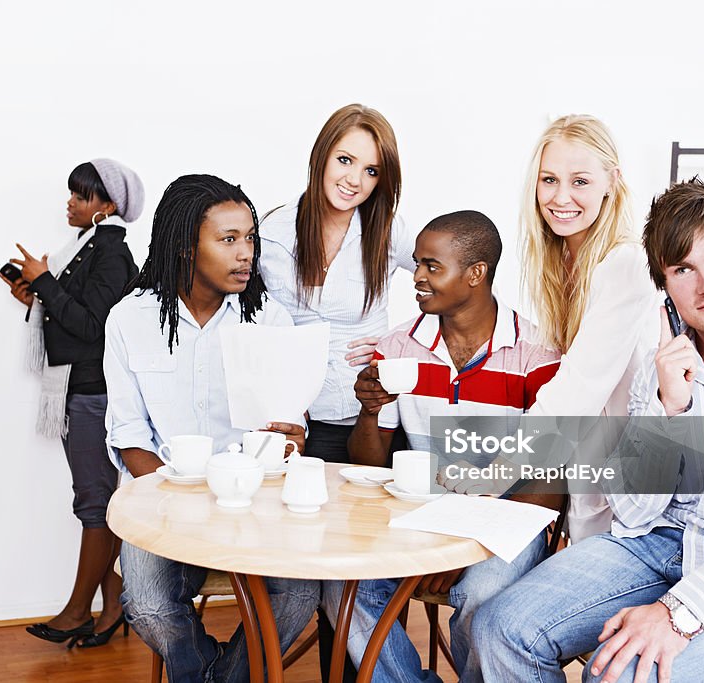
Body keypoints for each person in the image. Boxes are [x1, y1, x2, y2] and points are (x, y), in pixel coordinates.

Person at [471, 178, 704, 682]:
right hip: (663, 544)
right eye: (683, 269)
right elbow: (633, 508)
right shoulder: (662, 365)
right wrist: (671, 408)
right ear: (665, 288)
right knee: (500, 629)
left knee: (623, 676)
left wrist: (677, 613)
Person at [321, 211, 564, 682]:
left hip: (509, 517)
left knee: (483, 592)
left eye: (432, 266)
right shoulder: (397, 348)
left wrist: (462, 547)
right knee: (343, 585)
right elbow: (369, 462)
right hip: (421, 511)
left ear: (476, 274)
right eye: (417, 264)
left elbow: (549, 485)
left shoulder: (536, 354)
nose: (417, 278)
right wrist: (370, 410)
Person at [103, 174, 319, 682]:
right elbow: (129, 435)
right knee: (148, 604)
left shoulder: (268, 320)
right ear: (184, 247)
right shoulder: (128, 319)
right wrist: (175, 495)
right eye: (228, 240)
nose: (246, 253)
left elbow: (289, 427)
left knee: (301, 593)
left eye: (249, 238)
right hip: (159, 495)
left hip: (253, 499)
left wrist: (291, 437)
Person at [2, 159, 143, 648]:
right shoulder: (86, 250)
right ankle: (112, 604)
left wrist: (44, 282)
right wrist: (35, 294)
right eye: (72, 194)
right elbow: (74, 313)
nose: (71, 203)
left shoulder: (110, 255)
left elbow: (93, 327)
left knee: (97, 504)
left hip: (93, 391)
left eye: (81, 196)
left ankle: (78, 611)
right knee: (95, 500)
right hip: (75, 387)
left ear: (108, 207)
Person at [515, 114, 658, 542]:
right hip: (592, 466)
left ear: (611, 181)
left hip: (638, 481)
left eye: (580, 181)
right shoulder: (560, 263)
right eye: (549, 180)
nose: (561, 197)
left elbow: (577, 391)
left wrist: (498, 468)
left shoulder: (625, 263)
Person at [259, 103, 418, 463]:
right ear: (321, 155)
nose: (354, 180)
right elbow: (239, 315)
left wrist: (405, 343)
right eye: (345, 160)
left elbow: (456, 285)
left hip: (371, 421)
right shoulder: (272, 232)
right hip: (293, 419)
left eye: (371, 170)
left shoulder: (389, 231)